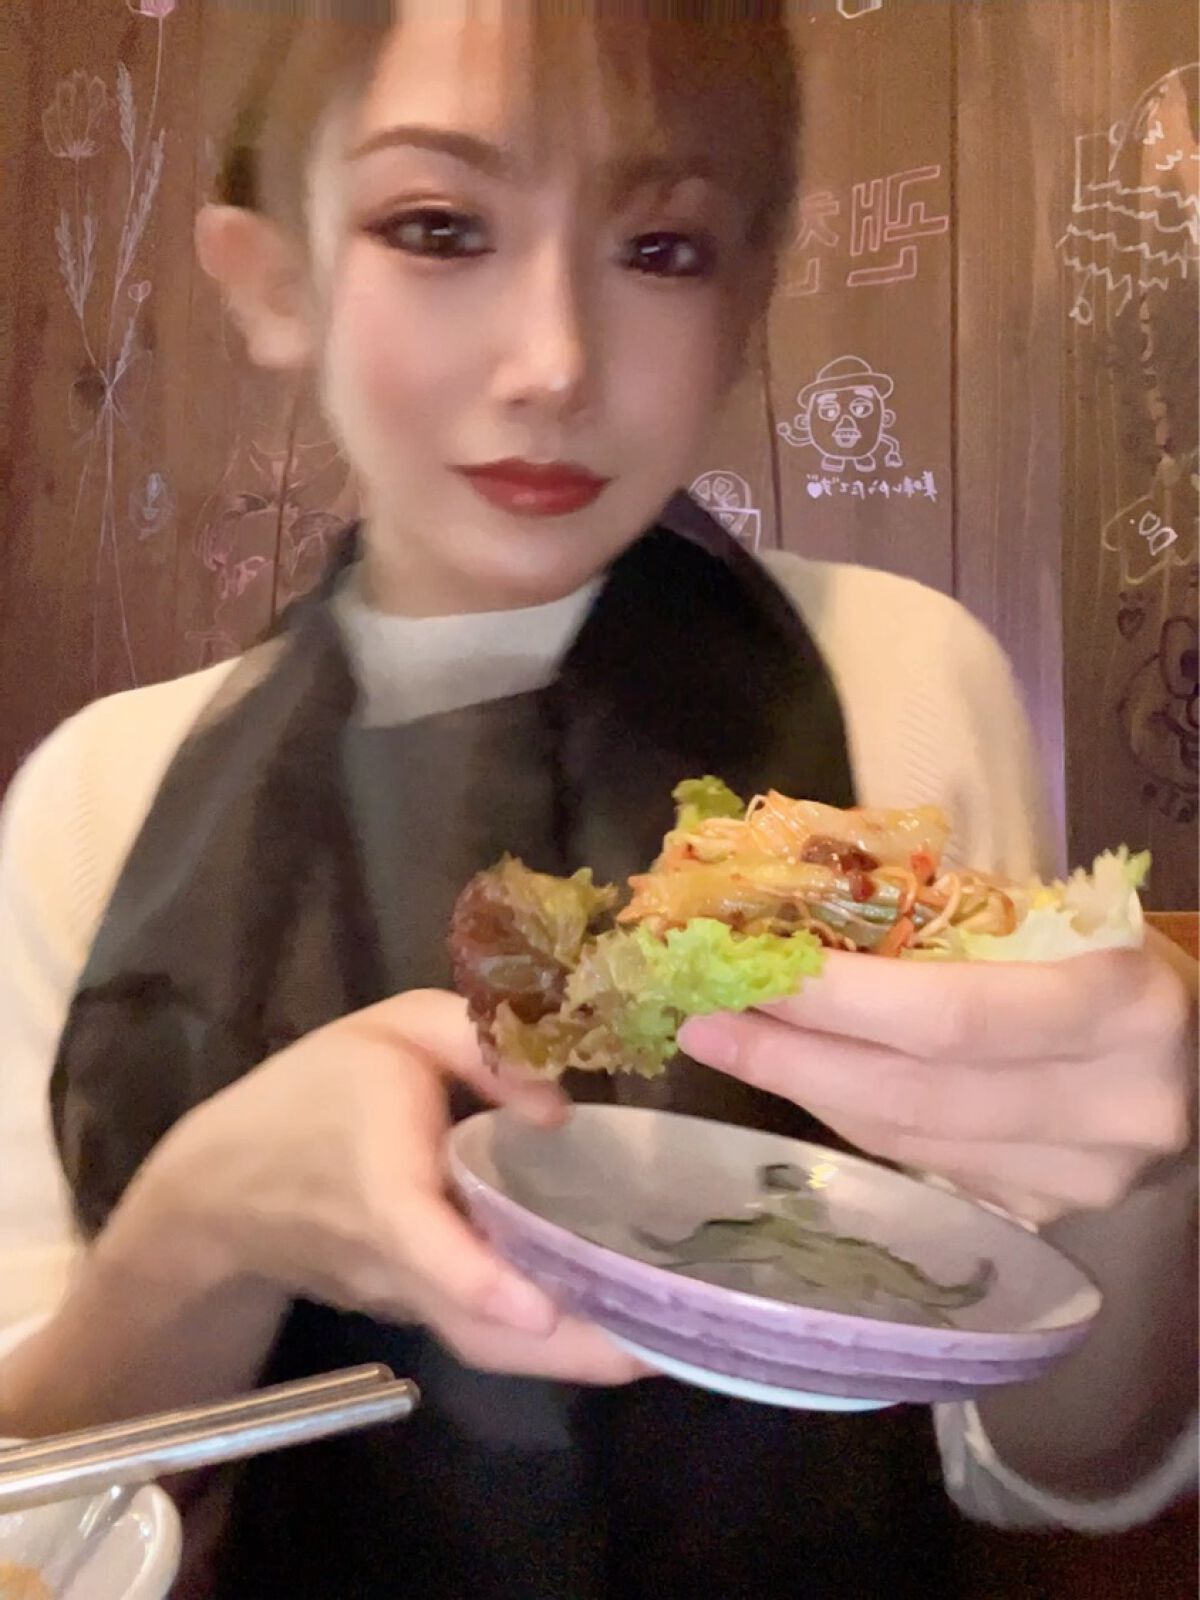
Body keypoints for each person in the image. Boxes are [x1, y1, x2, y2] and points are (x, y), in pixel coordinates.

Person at [0, 6, 1195, 1597]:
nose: (553, 361)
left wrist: (1148, 1190)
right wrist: (204, 1226)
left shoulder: (902, 685)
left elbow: (1058, 1472)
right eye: (439, 227)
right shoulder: (99, 797)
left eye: (661, 248)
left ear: (746, 300)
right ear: (276, 280)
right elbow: (27, 1501)